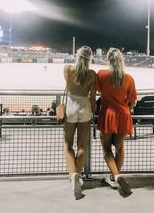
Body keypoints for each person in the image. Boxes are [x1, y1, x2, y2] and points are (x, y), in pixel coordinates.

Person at [96, 47, 137, 197]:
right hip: (123, 115)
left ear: (107, 59)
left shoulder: (101, 74)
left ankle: (116, 176)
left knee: (106, 149)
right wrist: (126, 109)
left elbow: (96, 90)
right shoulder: (128, 78)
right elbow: (132, 100)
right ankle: (114, 177)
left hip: (107, 115)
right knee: (120, 149)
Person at [63, 46, 96, 200]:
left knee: (68, 145)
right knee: (82, 145)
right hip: (85, 108)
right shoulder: (92, 74)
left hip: (70, 106)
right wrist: (93, 112)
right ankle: (78, 173)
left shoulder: (68, 69)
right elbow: (92, 97)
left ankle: (73, 175)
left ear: (77, 56)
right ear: (90, 58)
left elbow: (68, 88)